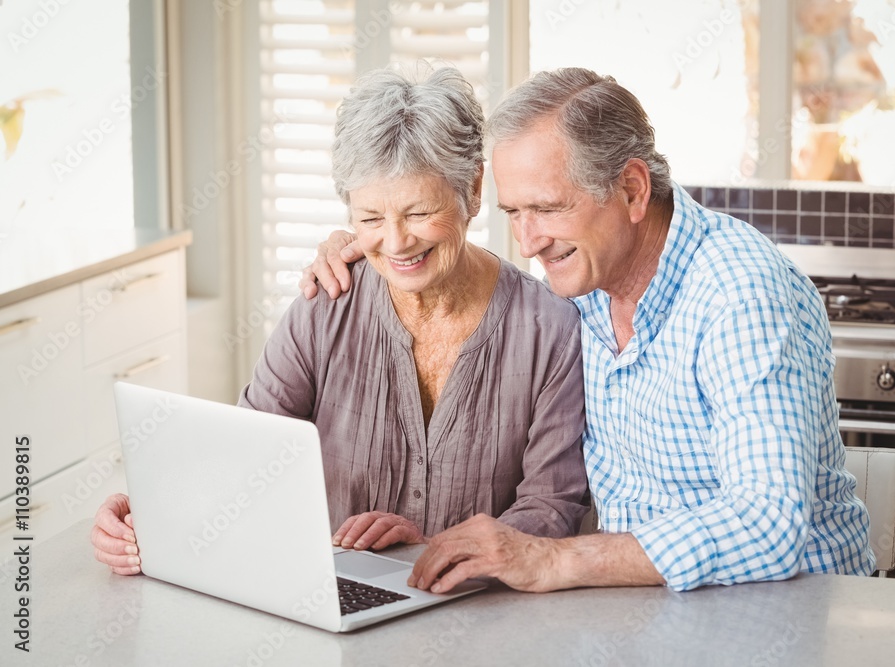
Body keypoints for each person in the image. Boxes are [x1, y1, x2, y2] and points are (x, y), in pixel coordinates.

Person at [301, 67, 875, 593]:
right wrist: (362, 247)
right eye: (514, 214)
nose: (527, 243)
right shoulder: (585, 289)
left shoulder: (740, 295)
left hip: (788, 611)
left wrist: (552, 559)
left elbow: (767, 524)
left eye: (548, 209)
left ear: (631, 190)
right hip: (648, 608)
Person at [90, 66, 590, 577]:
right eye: (371, 219)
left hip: (482, 616)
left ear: (474, 189)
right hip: (329, 601)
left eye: (418, 214)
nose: (396, 244)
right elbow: (243, 456)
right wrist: (150, 512)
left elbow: (552, 509)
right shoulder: (325, 304)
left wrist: (432, 546)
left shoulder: (551, 330)